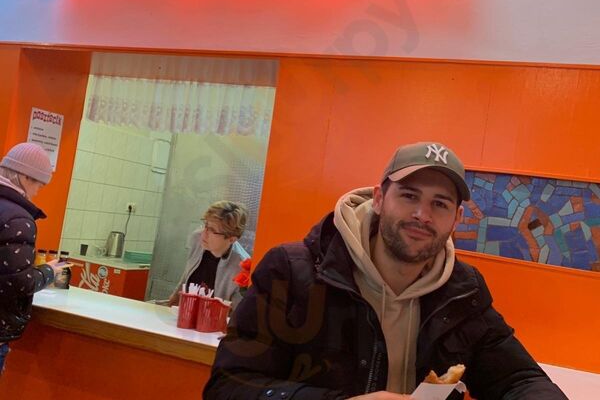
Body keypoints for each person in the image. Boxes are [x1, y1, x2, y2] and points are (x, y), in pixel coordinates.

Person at [204, 141, 567, 399]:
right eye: (409, 195)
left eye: (439, 204)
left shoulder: (463, 292)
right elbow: (229, 385)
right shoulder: (293, 271)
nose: (422, 215)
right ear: (379, 199)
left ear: (456, 219)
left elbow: (518, 378)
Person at [0, 143, 68, 375]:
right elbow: (18, 282)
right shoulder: (18, 219)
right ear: (25, 177)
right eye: (39, 184)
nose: (38, 191)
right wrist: (49, 271)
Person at [168, 201, 249, 306]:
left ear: (231, 239)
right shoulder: (197, 239)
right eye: (205, 225)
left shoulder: (242, 266)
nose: (203, 233)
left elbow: (236, 310)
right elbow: (187, 274)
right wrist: (174, 298)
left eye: (212, 230)